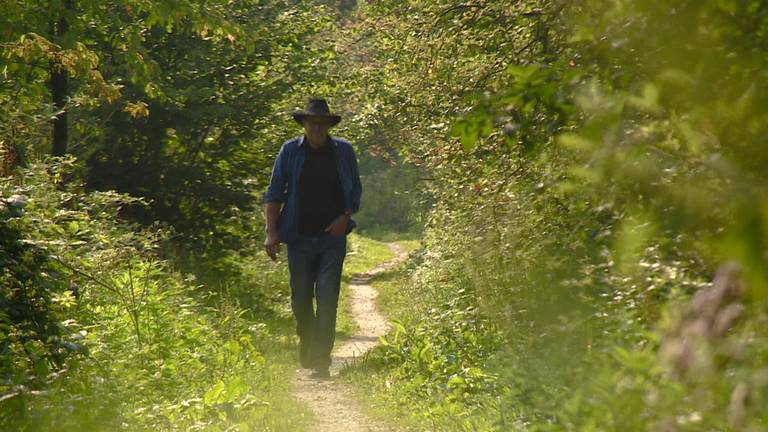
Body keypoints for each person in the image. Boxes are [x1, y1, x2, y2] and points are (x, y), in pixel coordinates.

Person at [263, 97, 362, 379]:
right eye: (312, 123)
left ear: (329, 125)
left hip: (332, 239)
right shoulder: (289, 151)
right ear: (304, 125)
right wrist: (272, 233)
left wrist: (344, 218)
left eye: (322, 123)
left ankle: (320, 361)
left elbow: (354, 193)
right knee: (301, 300)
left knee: (328, 299)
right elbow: (274, 194)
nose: (317, 128)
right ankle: (308, 345)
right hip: (298, 238)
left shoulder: (343, 152)